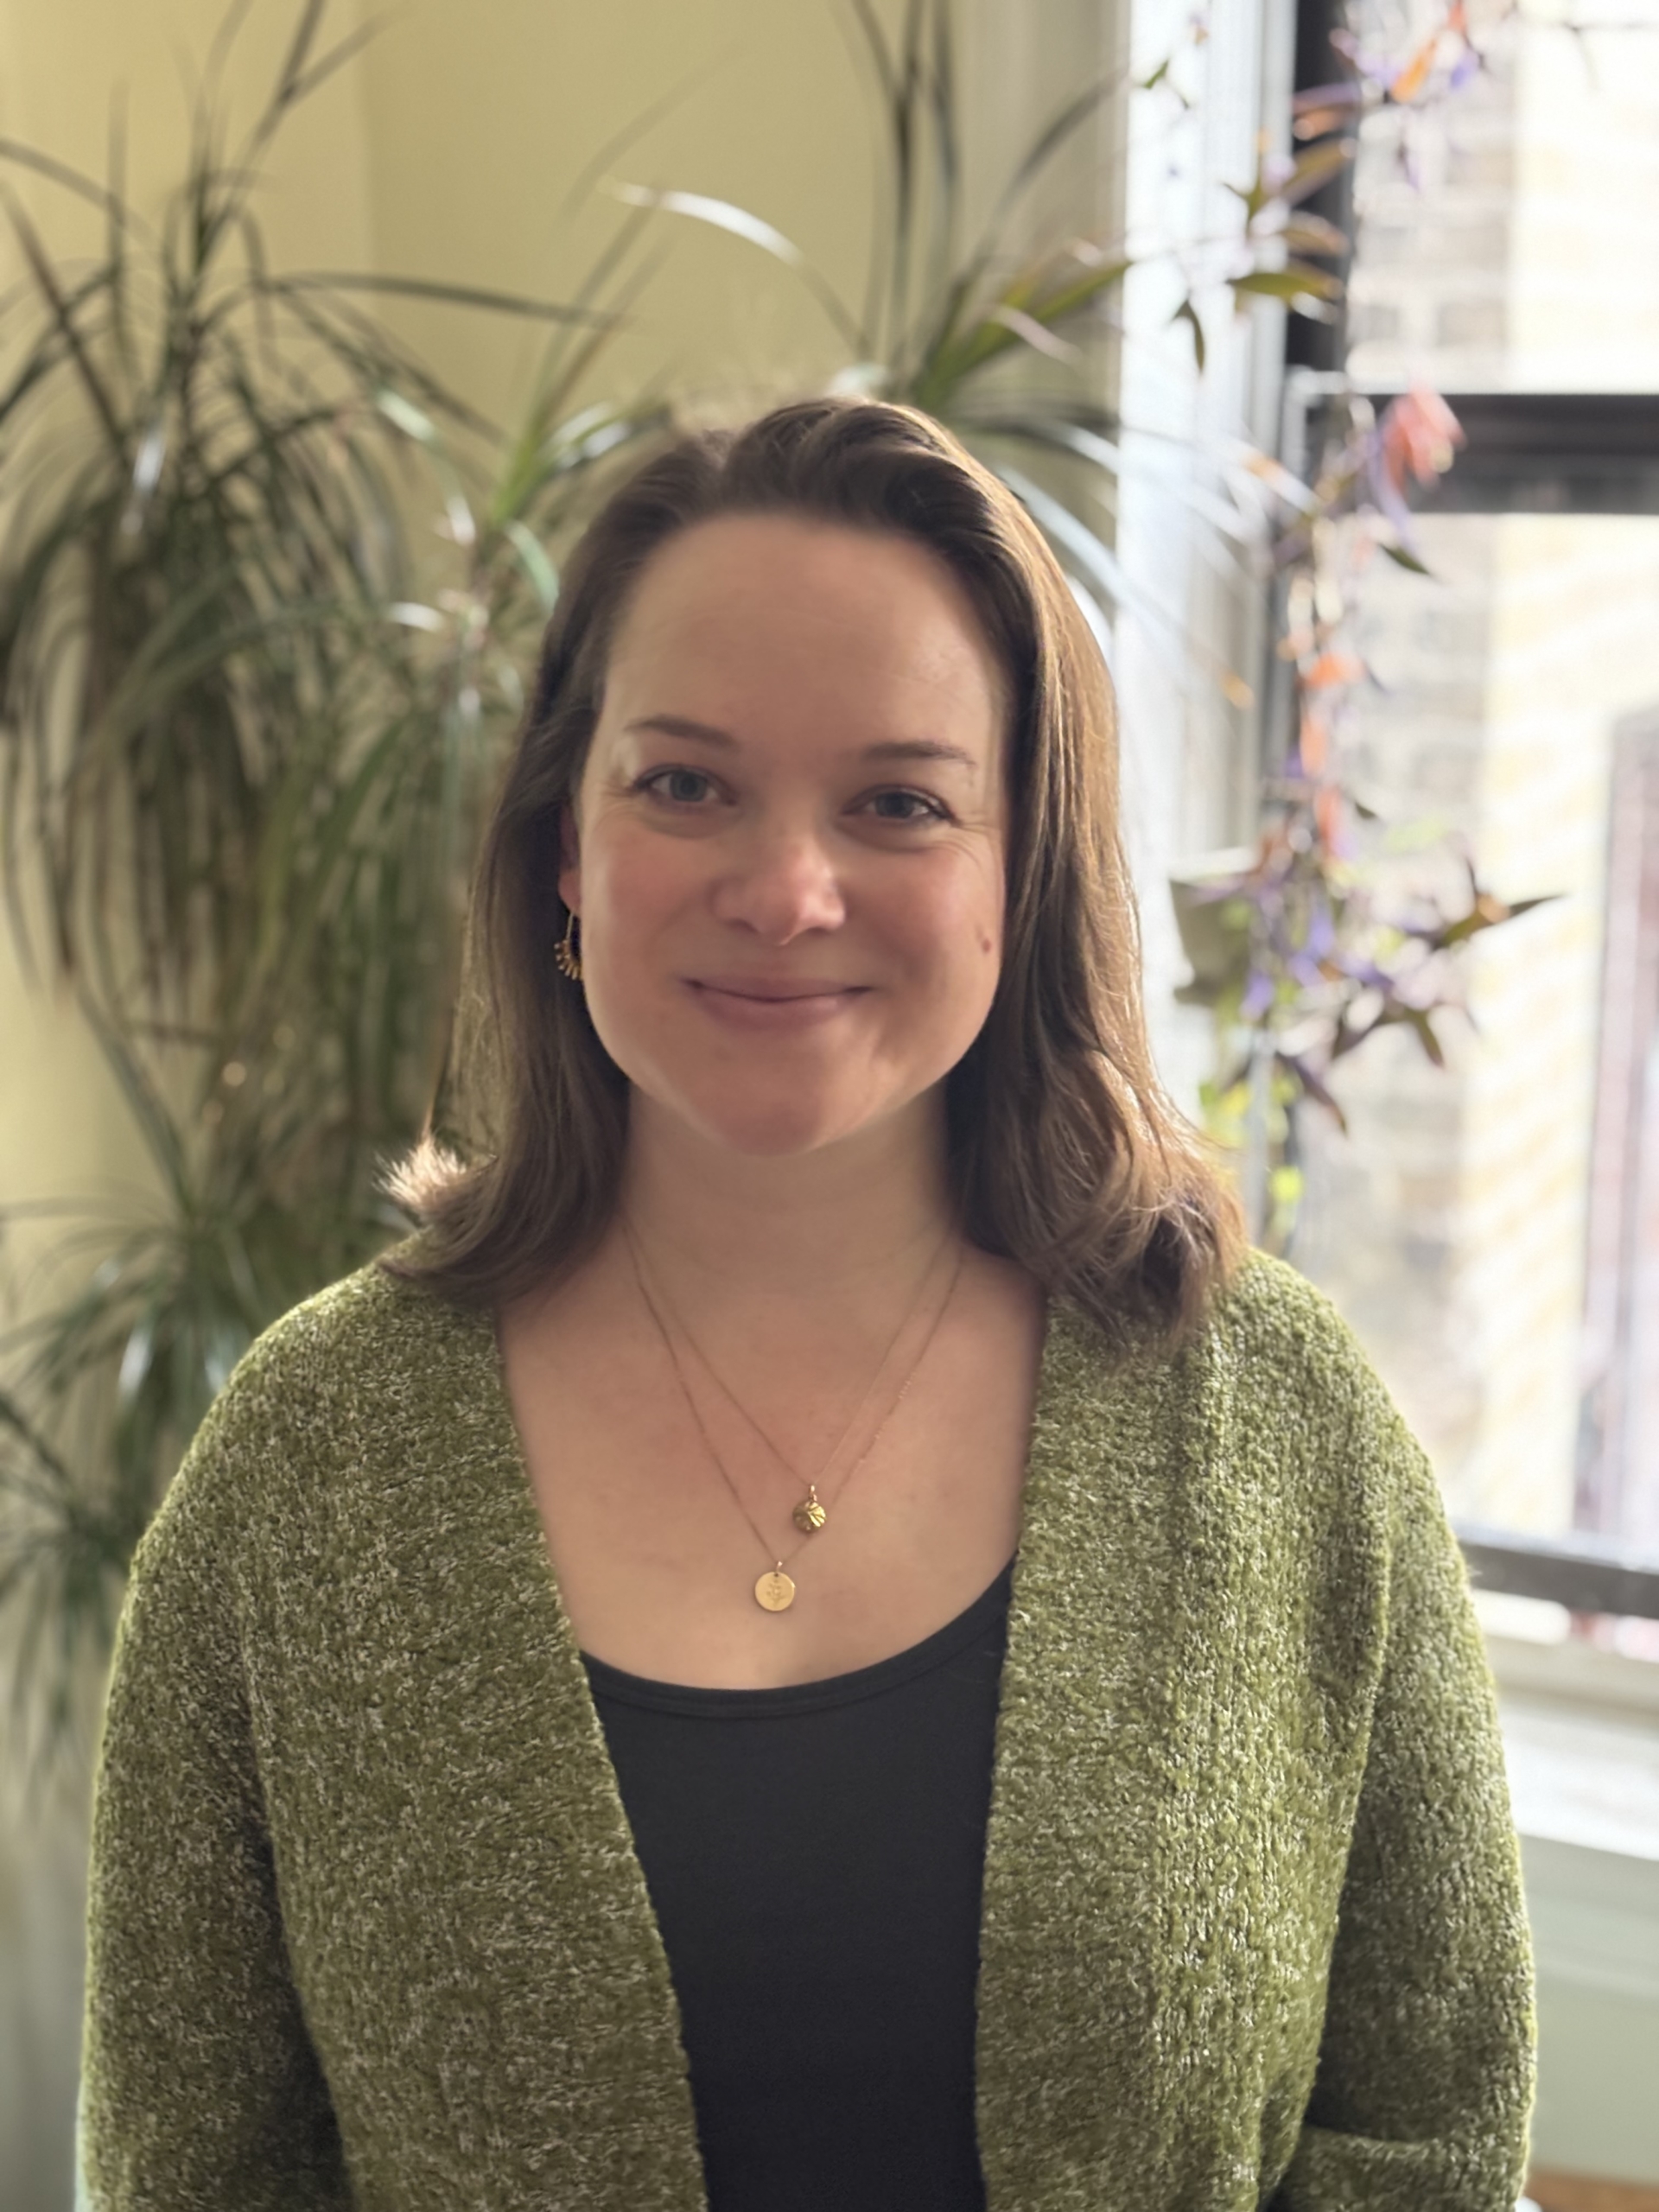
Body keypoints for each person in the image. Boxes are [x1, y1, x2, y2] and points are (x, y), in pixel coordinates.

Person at [79, 397, 1534, 2212]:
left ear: (1022, 873)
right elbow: (186, 2169)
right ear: (562, 849)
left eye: (900, 800)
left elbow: (1433, 2140)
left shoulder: (1277, 1423)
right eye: (683, 782)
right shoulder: (307, 1470)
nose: (784, 891)